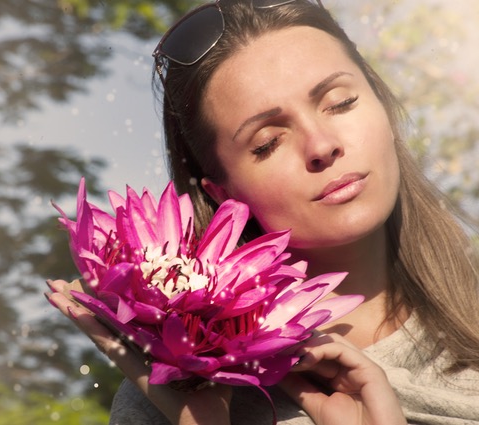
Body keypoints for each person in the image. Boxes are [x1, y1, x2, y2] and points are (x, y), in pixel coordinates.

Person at [46, 0, 479, 423]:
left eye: (340, 102)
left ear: (383, 104)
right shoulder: (167, 401)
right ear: (222, 195)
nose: (322, 145)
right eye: (268, 142)